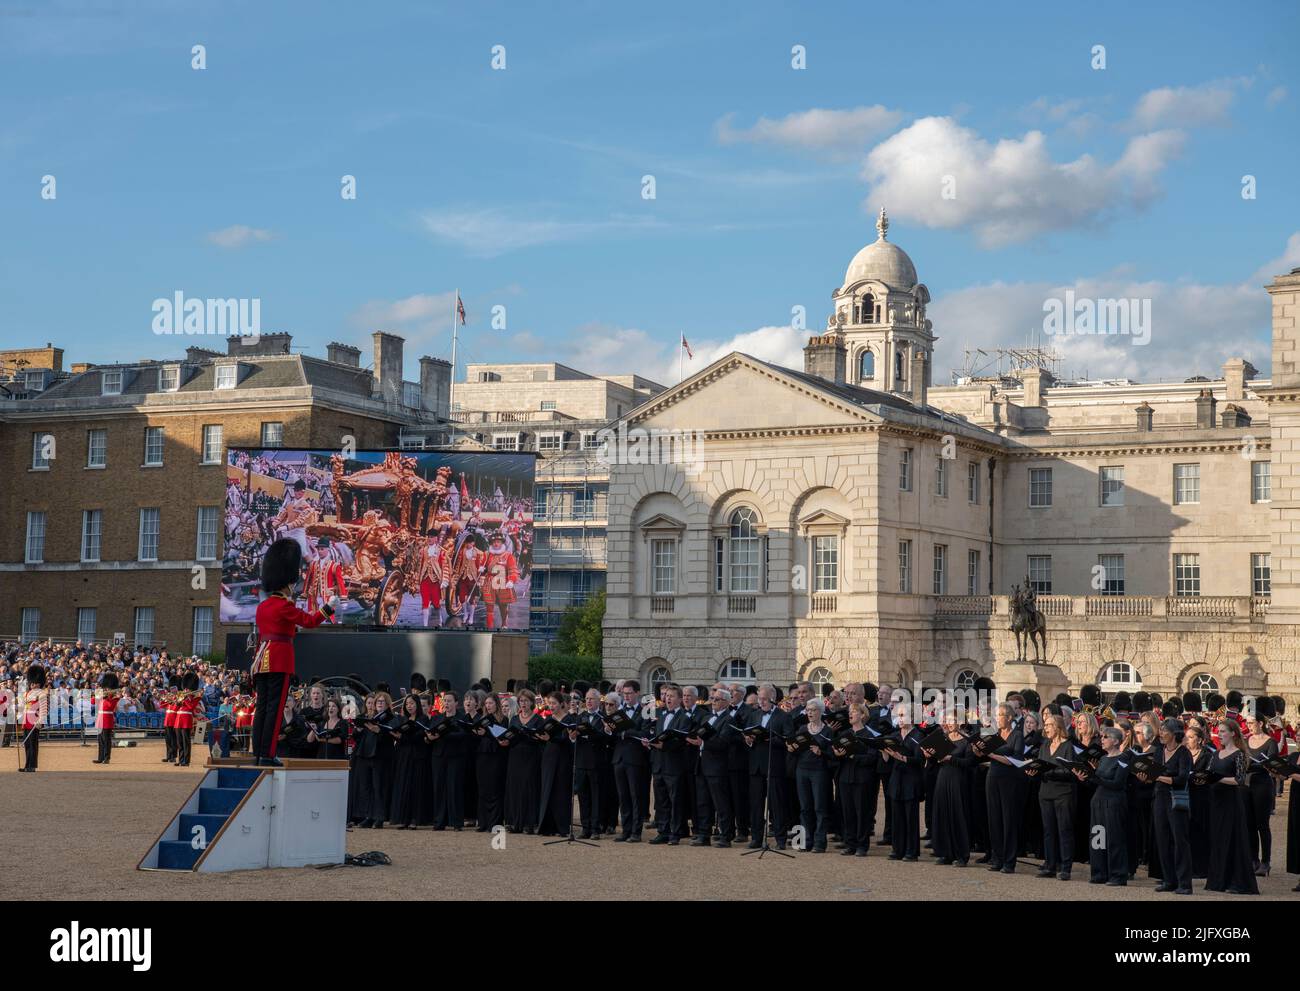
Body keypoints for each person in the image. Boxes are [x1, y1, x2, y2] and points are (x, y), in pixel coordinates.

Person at [251, 538, 335, 766]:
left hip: (262, 658)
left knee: (262, 708)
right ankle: (268, 754)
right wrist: (328, 608)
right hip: (279, 658)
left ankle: (257, 752)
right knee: (276, 709)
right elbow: (309, 621)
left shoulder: (263, 606)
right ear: (287, 580)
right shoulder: (284, 605)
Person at [1202, 719, 1259, 894]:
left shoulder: (1239, 754)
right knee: (1217, 839)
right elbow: (1208, 774)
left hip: (1231, 802)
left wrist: (1217, 778)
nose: (1220, 734)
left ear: (1233, 733)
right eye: (1219, 731)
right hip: (1215, 801)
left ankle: (1237, 882)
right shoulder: (1215, 754)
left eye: (1223, 731)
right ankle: (1218, 880)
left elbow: (1239, 780)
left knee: (1232, 839)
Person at [1143, 717, 1193, 894]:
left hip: (1175, 799)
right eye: (1161, 730)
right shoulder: (1159, 751)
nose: (1161, 733)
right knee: (1162, 840)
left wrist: (1158, 777)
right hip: (1159, 798)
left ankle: (1184, 883)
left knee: (1180, 841)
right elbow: (1153, 772)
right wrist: (1147, 776)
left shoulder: (1183, 753)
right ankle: (1168, 879)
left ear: (1174, 734)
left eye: (1164, 731)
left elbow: (1182, 779)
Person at [744, 684, 793, 850]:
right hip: (756, 766)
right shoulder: (754, 715)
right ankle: (756, 838)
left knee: (777, 804)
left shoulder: (783, 716)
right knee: (756, 805)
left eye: (764, 699)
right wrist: (749, 740)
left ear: (772, 698)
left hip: (775, 765)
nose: (761, 702)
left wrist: (770, 739)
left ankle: (780, 839)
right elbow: (748, 734)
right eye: (760, 699)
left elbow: (788, 739)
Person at [1031, 710, 1077, 881]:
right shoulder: (1044, 745)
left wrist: (1050, 772)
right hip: (1045, 792)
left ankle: (1065, 867)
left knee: (1064, 830)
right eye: (1046, 725)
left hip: (1063, 793)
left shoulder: (1067, 746)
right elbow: (1040, 765)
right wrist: (1033, 770)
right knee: (1048, 831)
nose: (1046, 727)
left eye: (1050, 725)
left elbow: (1069, 771)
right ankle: (1050, 865)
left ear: (1058, 727)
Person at [982, 702, 1026, 873]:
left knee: (1008, 819)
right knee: (994, 819)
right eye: (996, 714)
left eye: (1000, 715)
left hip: (1009, 781)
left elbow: (1017, 760)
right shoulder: (994, 734)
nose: (997, 718)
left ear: (1009, 718)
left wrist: (993, 755)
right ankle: (997, 858)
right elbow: (984, 754)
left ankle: (1009, 861)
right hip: (992, 777)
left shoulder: (1017, 736)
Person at [646, 684, 691, 845]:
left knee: (676, 801)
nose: (668, 699)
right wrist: (650, 743)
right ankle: (663, 831)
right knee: (661, 801)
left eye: (672, 696)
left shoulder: (685, 718)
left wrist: (663, 746)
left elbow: (681, 741)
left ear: (680, 699)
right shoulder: (661, 715)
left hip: (674, 765)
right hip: (659, 764)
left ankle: (676, 832)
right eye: (667, 696)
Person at [927, 712, 973, 867]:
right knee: (943, 814)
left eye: (953, 720)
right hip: (942, 777)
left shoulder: (966, 741)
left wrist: (951, 758)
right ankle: (945, 853)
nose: (949, 723)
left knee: (957, 814)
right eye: (947, 720)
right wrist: (929, 755)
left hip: (957, 780)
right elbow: (934, 762)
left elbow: (969, 763)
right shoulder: (943, 738)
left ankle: (961, 855)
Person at [692, 686, 736, 848]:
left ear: (726, 702)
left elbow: (723, 743)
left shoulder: (729, 719)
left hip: (717, 766)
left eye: (717, 699)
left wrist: (703, 742)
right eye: (712, 699)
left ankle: (726, 835)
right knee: (703, 802)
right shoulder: (707, 718)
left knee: (721, 803)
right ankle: (704, 834)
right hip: (702, 764)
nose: (713, 702)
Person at [833, 701, 878, 857]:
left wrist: (854, 756)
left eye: (854, 711)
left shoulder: (869, 735)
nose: (850, 714)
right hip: (845, 777)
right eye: (849, 711)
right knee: (848, 812)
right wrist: (838, 755)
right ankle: (850, 843)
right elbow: (837, 755)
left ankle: (862, 845)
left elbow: (872, 758)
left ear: (862, 715)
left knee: (862, 813)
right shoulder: (845, 734)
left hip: (862, 779)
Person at [789, 697, 833, 853]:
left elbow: (833, 754)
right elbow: (796, 748)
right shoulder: (802, 729)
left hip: (819, 771)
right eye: (808, 710)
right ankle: (805, 841)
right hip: (802, 770)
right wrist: (792, 748)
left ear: (821, 711)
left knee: (820, 807)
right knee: (805, 807)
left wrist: (821, 752)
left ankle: (820, 842)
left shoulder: (828, 731)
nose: (810, 713)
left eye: (813, 710)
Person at [883, 704, 925, 862]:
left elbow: (920, 760)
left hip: (911, 780)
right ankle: (897, 849)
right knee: (896, 816)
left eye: (902, 715)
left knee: (910, 817)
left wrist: (903, 758)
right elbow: (887, 762)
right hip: (896, 779)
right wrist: (884, 753)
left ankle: (911, 851)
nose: (899, 719)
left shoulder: (918, 736)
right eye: (898, 715)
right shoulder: (894, 736)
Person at [1088, 726, 1130, 886]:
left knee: (1114, 838)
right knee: (1097, 838)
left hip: (1113, 802)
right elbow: (1097, 781)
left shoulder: (1124, 758)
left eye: (1106, 737)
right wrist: (1086, 776)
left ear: (1116, 741)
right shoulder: (1104, 759)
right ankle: (1099, 872)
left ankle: (1117, 875)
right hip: (1098, 801)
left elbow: (1118, 783)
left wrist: (1095, 777)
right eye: (1102, 736)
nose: (1102, 740)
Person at [611, 681, 650, 842]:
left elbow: (645, 732)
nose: (626, 696)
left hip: (635, 759)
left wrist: (626, 731)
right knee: (623, 796)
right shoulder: (619, 711)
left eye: (629, 693)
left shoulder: (645, 711)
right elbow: (613, 735)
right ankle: (626, 829)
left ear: (637, 693)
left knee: (636, 796)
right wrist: (609, 730)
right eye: (624, 693)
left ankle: (636, 831)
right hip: (619, 758)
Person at [1245, 699, 1279, 877]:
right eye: (1247, 723)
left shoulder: (1270, 742)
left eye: (1252, 723)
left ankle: (1266, 862)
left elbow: (1272, 765)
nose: (1249, 726)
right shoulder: (1245, 740)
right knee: (1249, 825)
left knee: (1262, 825)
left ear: (1260, 723)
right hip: (1247, 785)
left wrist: (1255, 765)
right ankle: (1253, 859)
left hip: (1263, 786)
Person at [389, 694, 433, 830]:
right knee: (403, 785)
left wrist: (403, 737)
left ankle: (415, 818)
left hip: (417, 756)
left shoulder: (423, 719)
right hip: (403, 756)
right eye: (407, 704)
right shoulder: (401, 719)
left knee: (416, 786)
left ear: (417, 705)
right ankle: (404, 818)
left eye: (412, 703)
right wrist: (398, 735)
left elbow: (419, 736)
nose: (409, 706)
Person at [352, 693, 396, 829]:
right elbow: (358, 737)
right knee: (366, 788)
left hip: (380, 756)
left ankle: (379, 817)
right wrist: (358, 730)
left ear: (388, 704)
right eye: (378, 701)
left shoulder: (391, 718)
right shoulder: (369, 717)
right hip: (365, 755)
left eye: (383, 702)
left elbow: (390, 736)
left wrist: (378, 730)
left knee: (379, 788)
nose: (380, 704)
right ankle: (368, 816)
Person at [504, 689, 544, 834]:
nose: (523, 703)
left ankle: (529, 822)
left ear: (532, 702)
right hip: (515, 756)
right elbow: (509, 735)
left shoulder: (539, 719)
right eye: (521, 701)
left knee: (529, 788)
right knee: (514, 788)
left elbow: (542, 738)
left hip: (531, 756)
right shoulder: (514, 719)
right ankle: (514, 822)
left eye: (526, 701)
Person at [428, 691, 468, 831]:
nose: (446, 703)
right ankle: (439, 821)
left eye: (450, 701)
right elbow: (429, 735)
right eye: (445, 701)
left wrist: (444, 735)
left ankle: (456, 822)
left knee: (454, 788)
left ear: (456, 703)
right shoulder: (437, 718)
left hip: (456, 757)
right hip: (438, 756)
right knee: (439, 788)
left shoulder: (462, 718)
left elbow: (463, 735)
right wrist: (430, 737)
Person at [472, 693, 509, 831]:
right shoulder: (482, 719)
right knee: (483, 789)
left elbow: (501, 736)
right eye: (486, 704)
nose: (488, 706)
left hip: (496, 756)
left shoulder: (503, 719)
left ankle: (494, 823)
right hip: (482, 755)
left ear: (496, 704)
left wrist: (485, 733)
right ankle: (483, 822)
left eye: (491, 703)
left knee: (495, 789)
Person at [19, 663, 47, 772]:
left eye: (34, 683)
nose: (32, 685)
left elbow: (43, 709)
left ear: (38, 683)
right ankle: (27, 765)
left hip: (34, 722)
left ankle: (32, 766)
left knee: (33, 745)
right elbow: (25, 708)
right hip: (27, 721)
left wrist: (40, 721)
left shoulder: (42, 694)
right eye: (31, 683)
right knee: (27, 745)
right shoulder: (28, 694)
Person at [92, 671, 119, 765]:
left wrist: (106, 697)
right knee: (100, 740)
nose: (106, 689)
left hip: (107, 720)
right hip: (100, 719)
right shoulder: (102, 695)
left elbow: (110, 706)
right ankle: (100, 757)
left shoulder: (114, 697)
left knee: (107, 740)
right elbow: (92, 702)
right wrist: (97, 694)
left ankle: (107, 758)